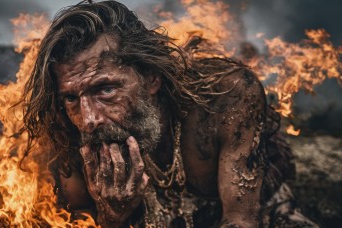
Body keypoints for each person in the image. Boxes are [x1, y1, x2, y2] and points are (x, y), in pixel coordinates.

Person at [21, 1, 317, 227]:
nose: (89, 119)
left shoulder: (223, 98)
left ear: (152, 77)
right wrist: (113, 217)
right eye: (72, 97)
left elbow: (240, 219)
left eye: (106, 89)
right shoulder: (65, 137)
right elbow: (79, 218)